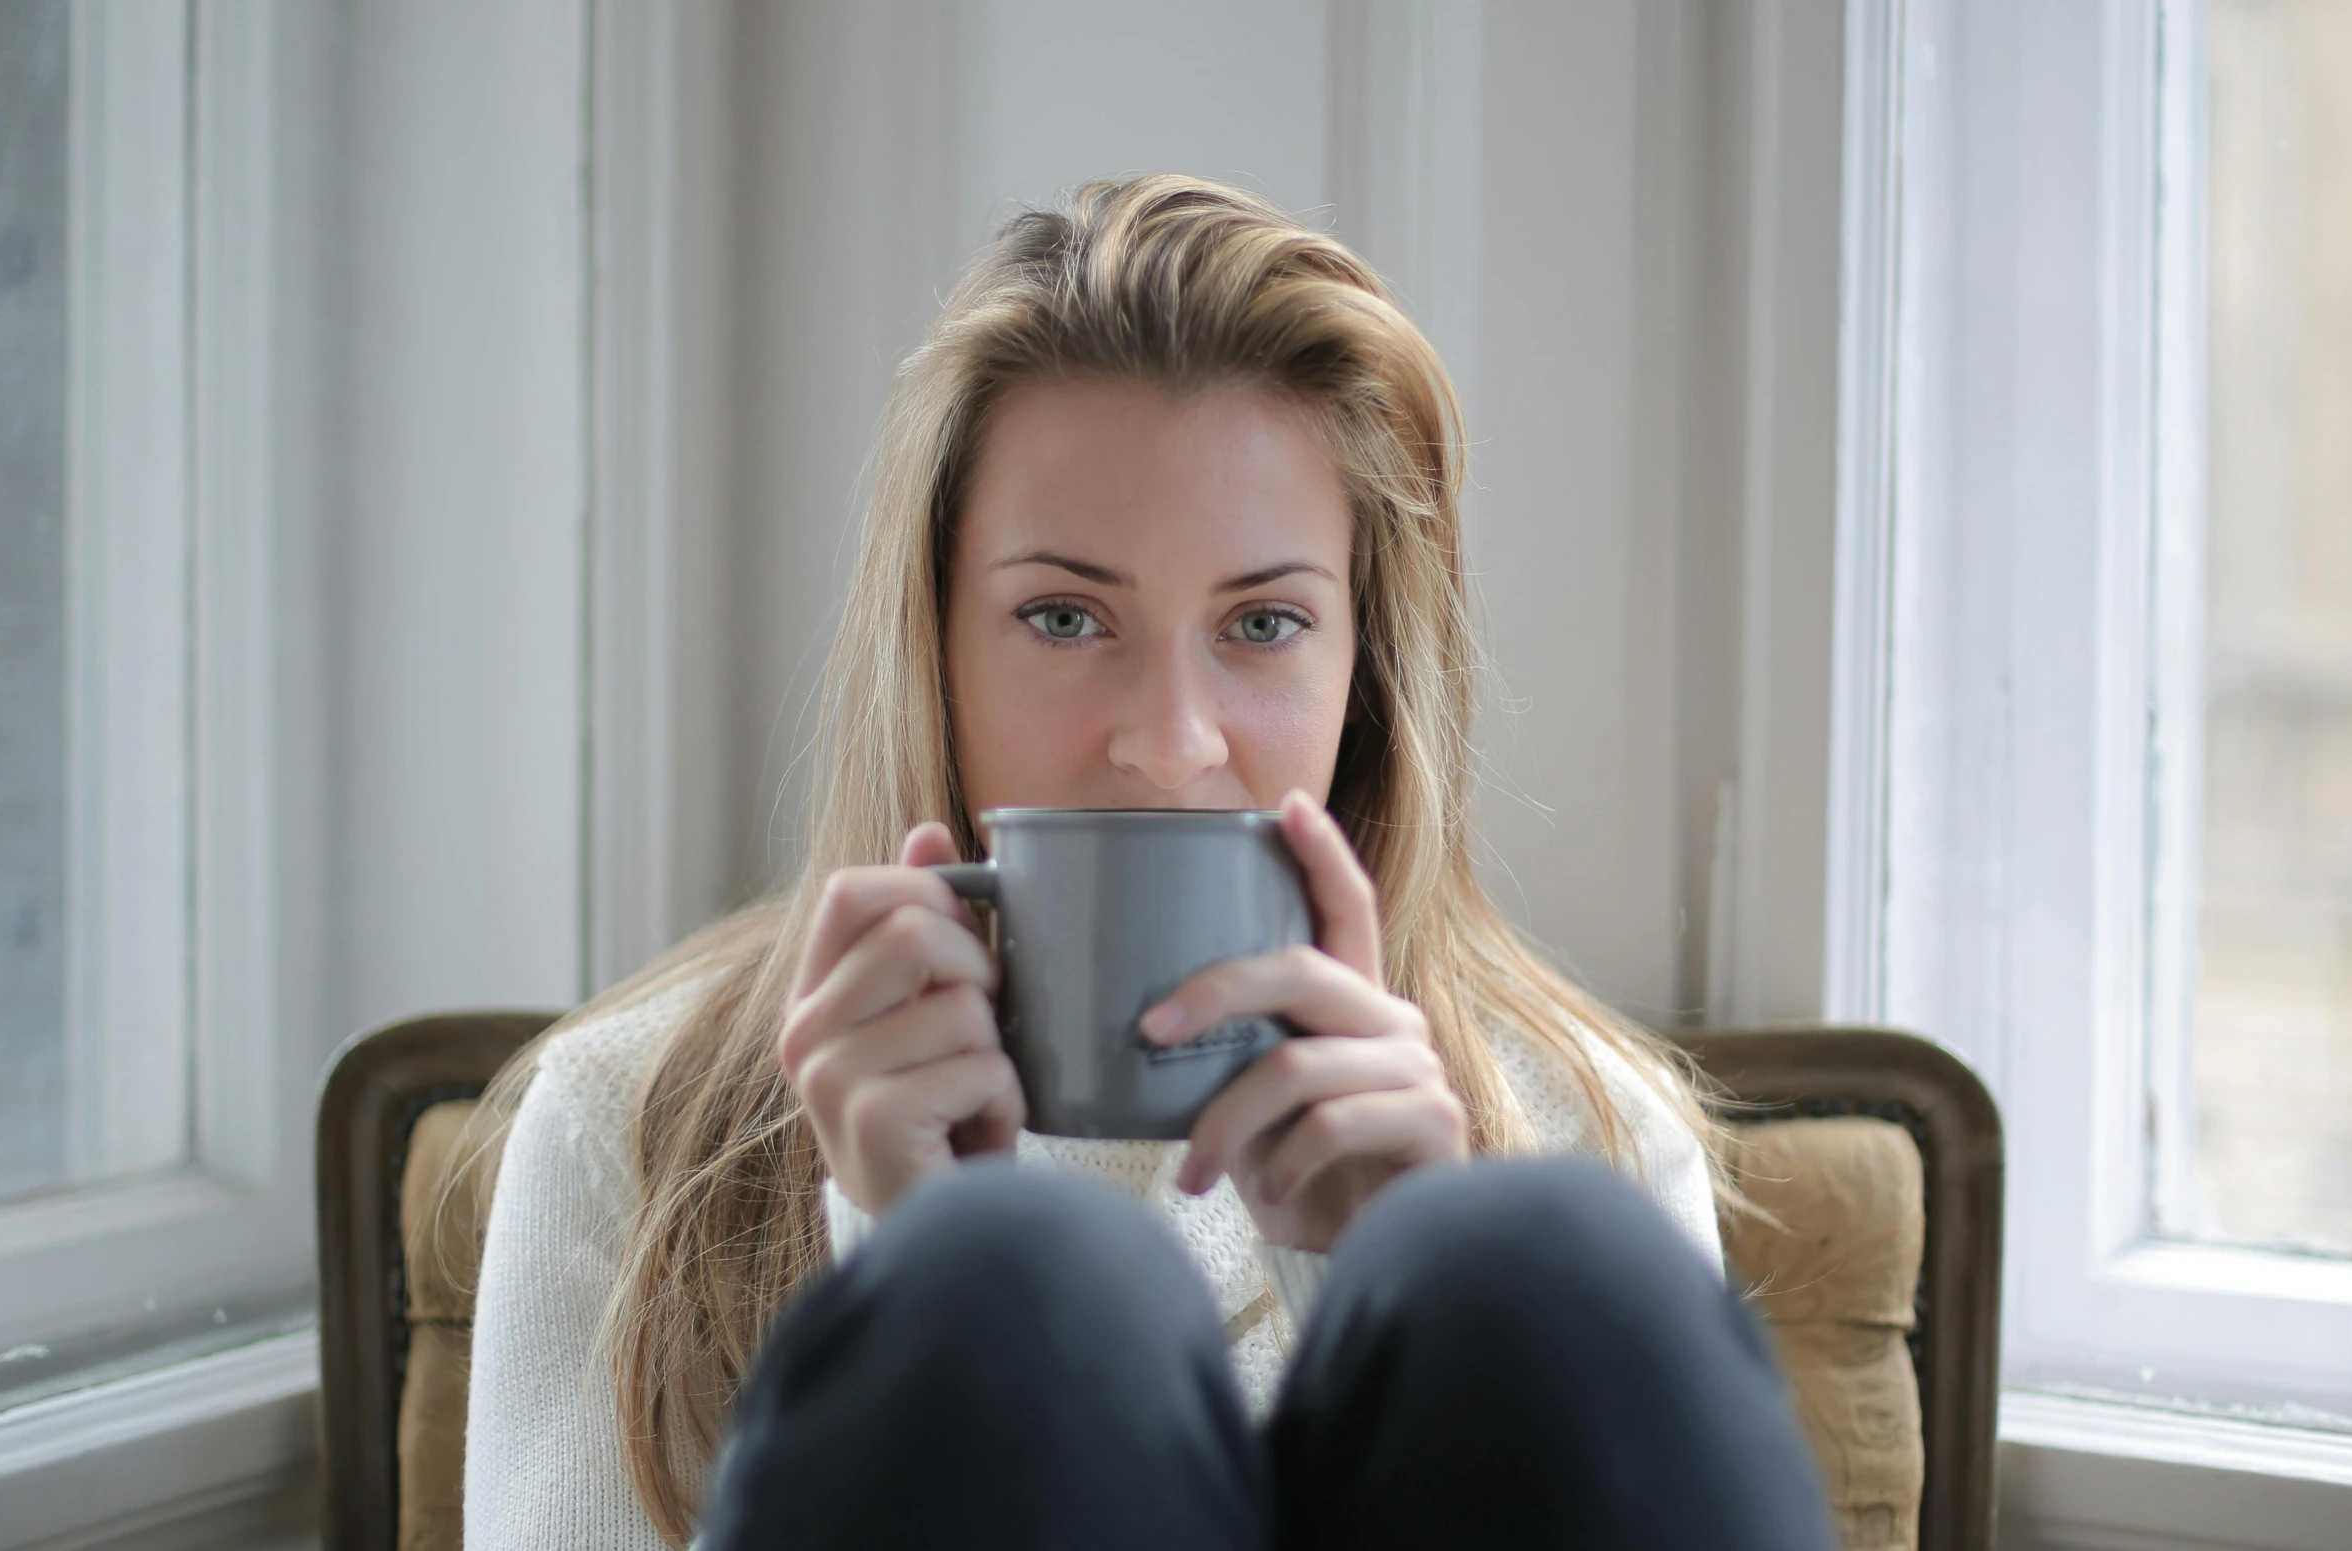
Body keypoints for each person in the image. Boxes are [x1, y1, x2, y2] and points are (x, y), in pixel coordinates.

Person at [463, 174, 1835, 1550]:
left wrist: (1383, 1286)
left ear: (1367, 671)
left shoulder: (1584, 1124)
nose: (1172, 743)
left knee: (1545, 1257)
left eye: (1265, 624)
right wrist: (908, 1272)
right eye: (1064, 616)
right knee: (1019, 1282)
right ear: (931, 647)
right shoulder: (630, 1127)